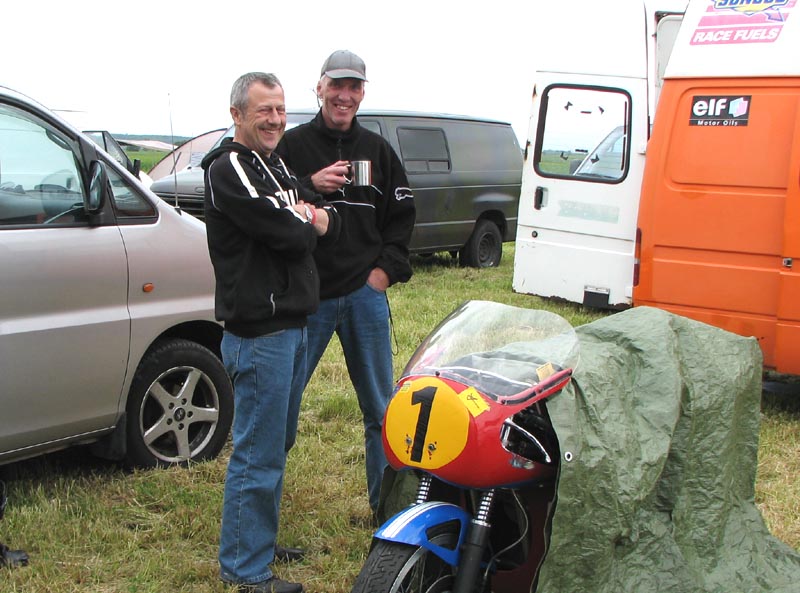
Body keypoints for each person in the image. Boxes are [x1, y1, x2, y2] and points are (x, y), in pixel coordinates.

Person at [203, 72, 339, 593]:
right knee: (257, 451)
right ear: (237, 114)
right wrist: (304, 219)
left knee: (276, 442)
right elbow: (290, 233)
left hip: (292, 325)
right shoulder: (230, 167)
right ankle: (245, 567)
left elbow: (319, 217)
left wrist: (308, 216)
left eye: (281, 110)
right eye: (264, 110)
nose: (276, 120)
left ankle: (255, 538)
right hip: (260, 333)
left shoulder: (276, 163)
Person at [275, 50, 416, 517]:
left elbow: (402, 217)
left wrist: (382, 275)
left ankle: (386, 513)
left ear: (362, 93)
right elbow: (267, 203)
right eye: (337, 85)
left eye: (354, 87)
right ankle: (265, 516)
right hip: (307, 297)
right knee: (282, 407)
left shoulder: (377, 150)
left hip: (363, 297)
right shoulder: (291, 146)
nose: (345, 95)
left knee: (381, 411)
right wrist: (309, 184)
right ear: (319, 87)